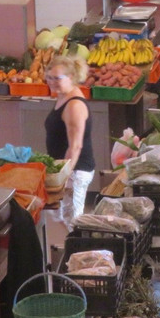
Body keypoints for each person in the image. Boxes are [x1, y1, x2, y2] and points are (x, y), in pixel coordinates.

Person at [44, 55, 95, 223]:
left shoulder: (74, 106)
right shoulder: (63, 95)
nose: (51, 82)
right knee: (62, 217)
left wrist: (64, 178)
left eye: (57, 78)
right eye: (49, 77)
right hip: (66, 169)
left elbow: (76, 146)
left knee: (73, 221)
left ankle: (84, 248)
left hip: (75, 171)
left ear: (71, 77)